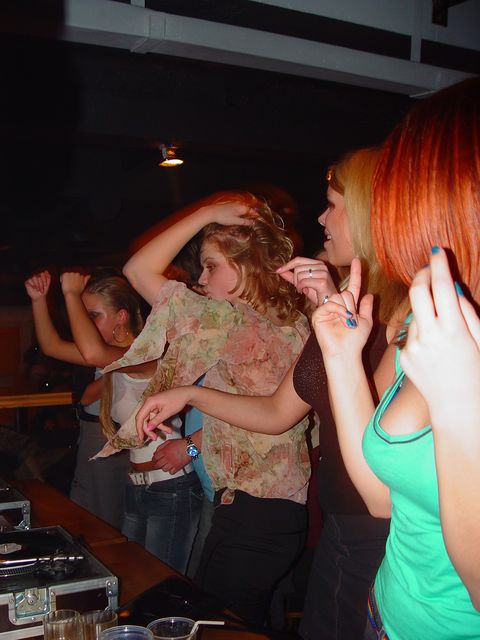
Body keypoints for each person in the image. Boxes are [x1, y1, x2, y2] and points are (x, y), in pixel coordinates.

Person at [135, 149, 407, 639]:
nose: (319, 218)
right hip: (324, 516)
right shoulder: (315, 315)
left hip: (347, 521)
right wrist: (190, 400)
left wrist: (190, 430)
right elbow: (280, 413)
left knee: (217, 626)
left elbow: (379, 458)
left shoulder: (392, 315)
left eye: (332, 205)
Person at [311, 77, 480, 639]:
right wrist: (342, 357)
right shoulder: (425, 314)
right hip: (382, 615)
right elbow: (382, 498)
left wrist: (460, 405)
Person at [97, 191, 311, 626]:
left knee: (220, 625)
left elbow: (275, 417)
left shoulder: (265, 324)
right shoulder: (254, 320)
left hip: (262, 513)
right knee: (222, 620)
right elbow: (138, 270)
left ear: (247, 264)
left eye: (212, 266)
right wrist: (207, 215)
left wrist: (188, 395)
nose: (202, 277)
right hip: (249, 507)